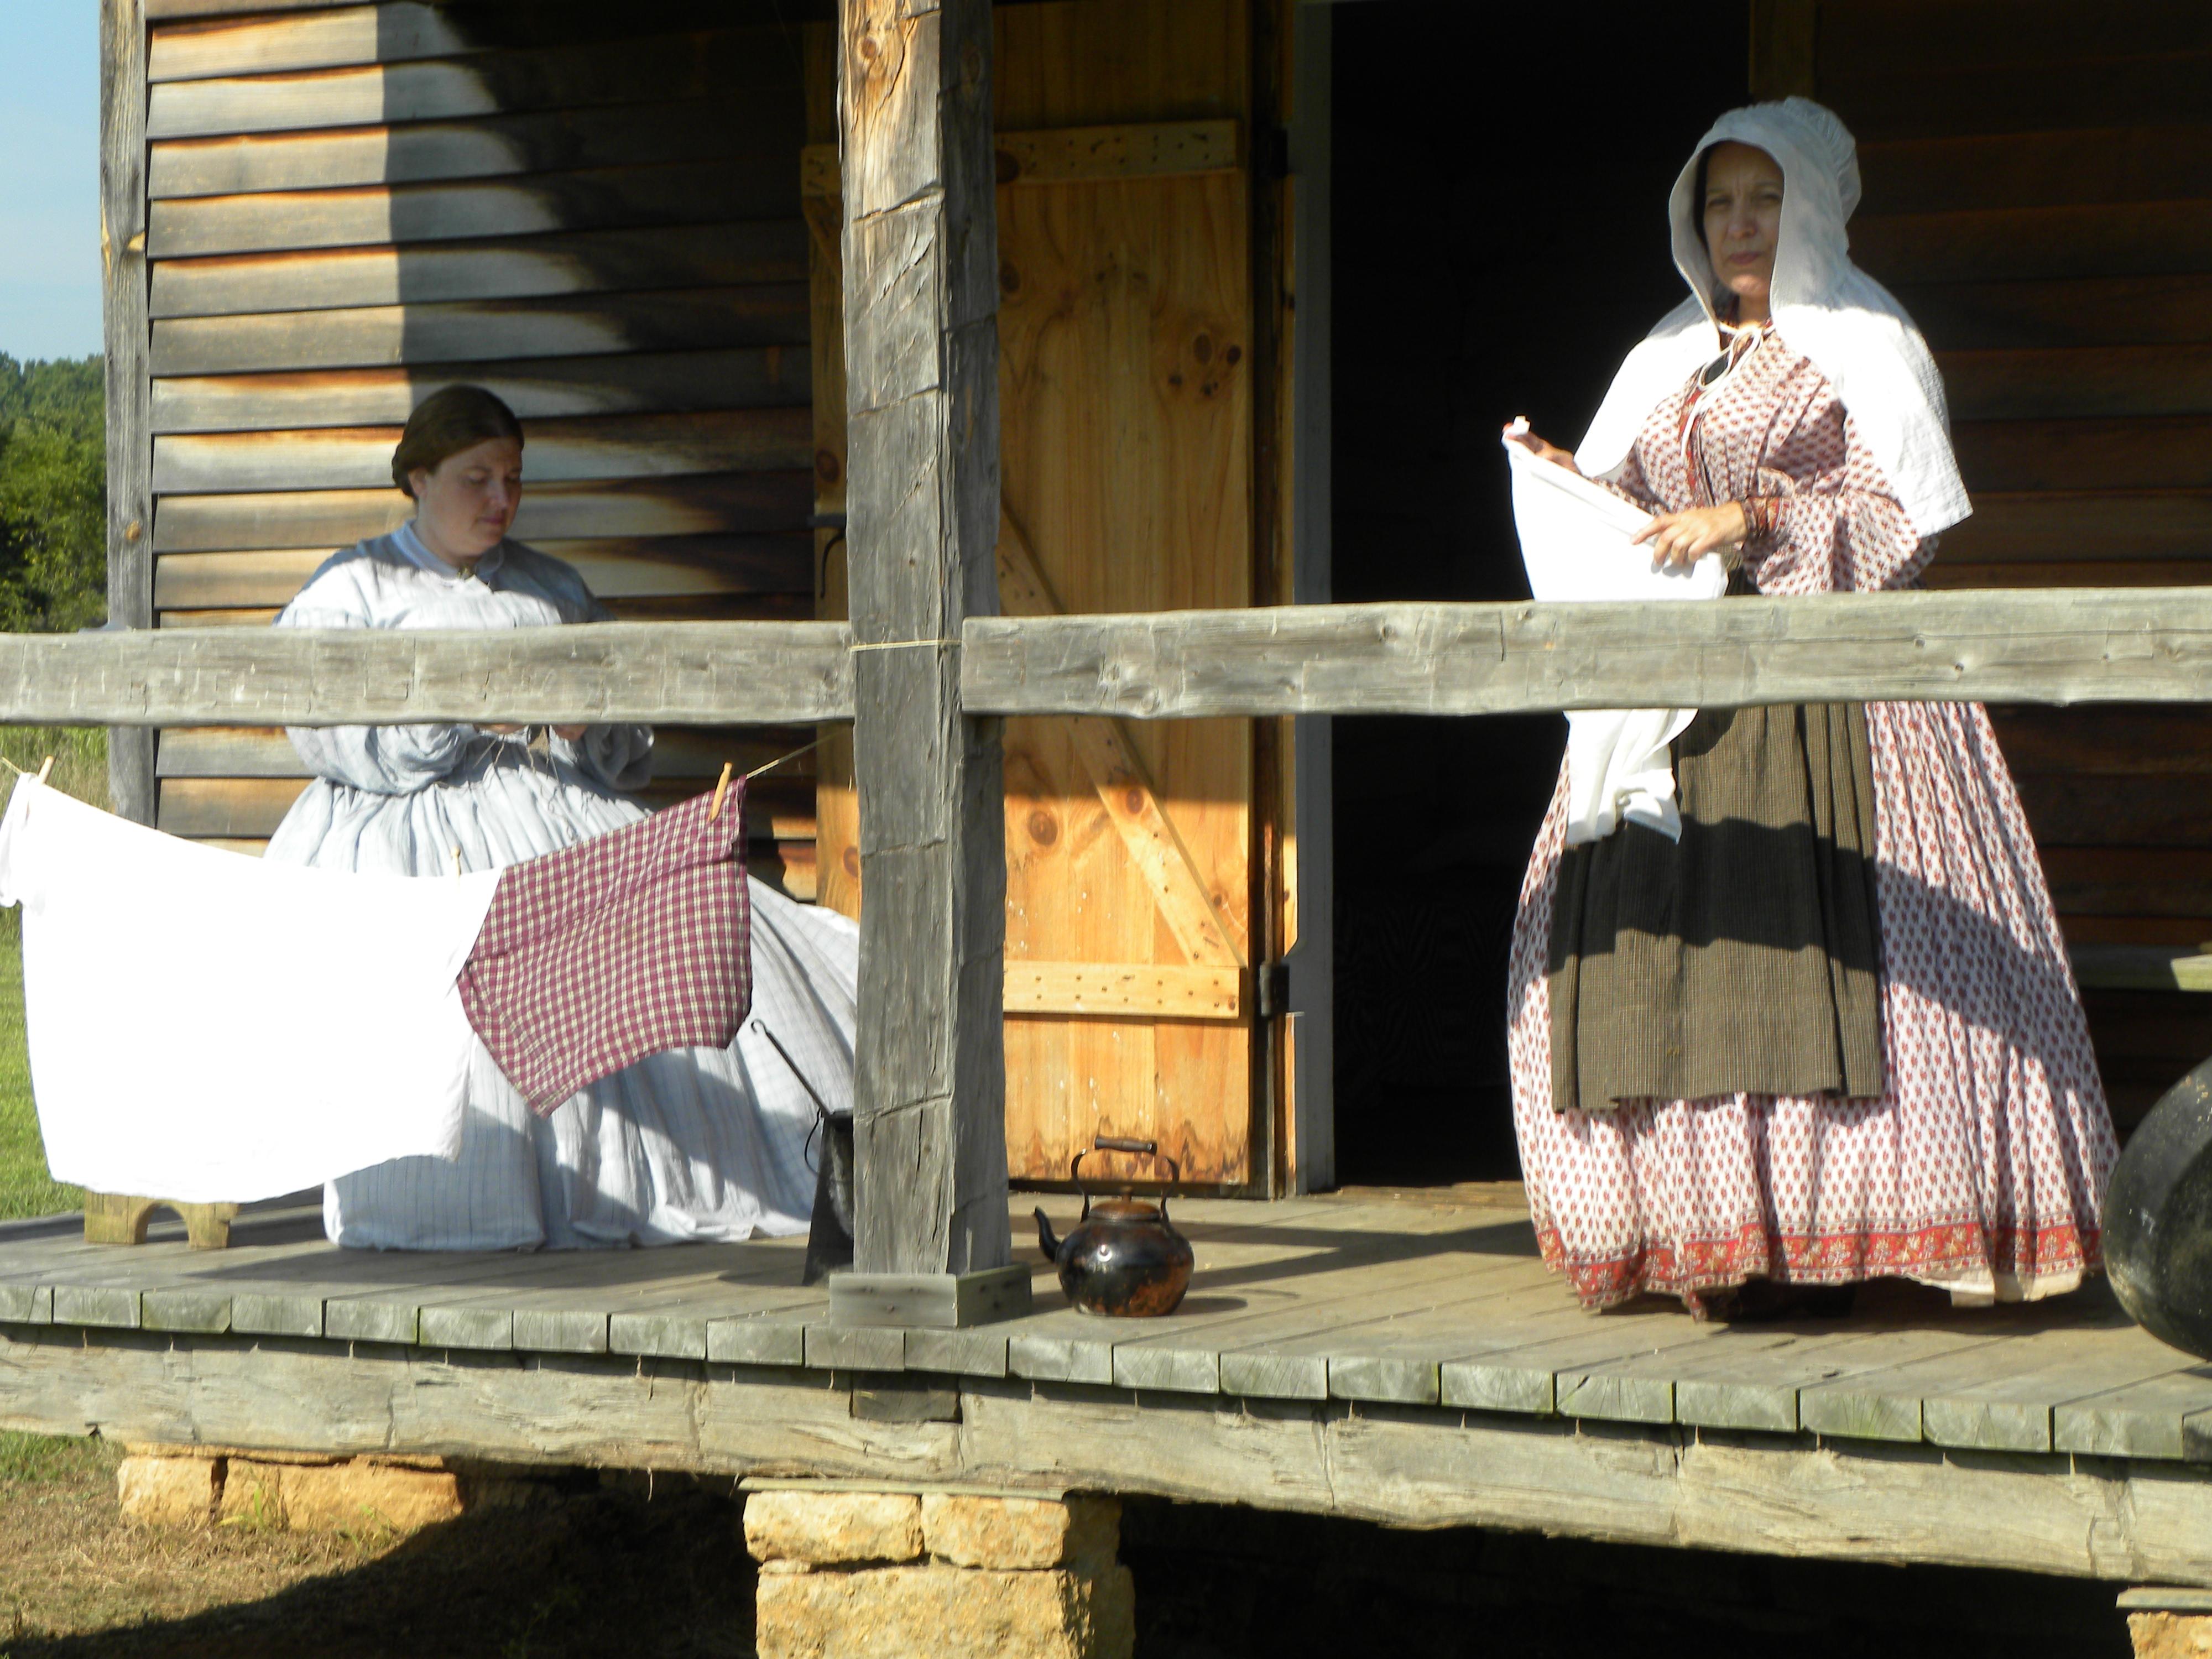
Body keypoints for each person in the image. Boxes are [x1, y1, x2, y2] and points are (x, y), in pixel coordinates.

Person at [1501, 100, 2115, 1316]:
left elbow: (1902, 527)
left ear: (1812, 206)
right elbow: (1633, 528)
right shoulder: (1664, 356)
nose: (1738, 224)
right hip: (1676, 713)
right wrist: (1576, 487)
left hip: (1838, 703)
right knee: (1657, 956)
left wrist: (1758, 517)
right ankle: (1706, 1242)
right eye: (1717, 201)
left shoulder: (1863, 337)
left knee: (1868, 952)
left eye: (1762, 198)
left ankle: (1866, 1230)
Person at [264, 385, 859, 1250]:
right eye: (477, 479)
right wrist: (459, 711)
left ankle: (694, 1166)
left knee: (690, 932)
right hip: (412, 825)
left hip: (552, 800)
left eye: (513, 479)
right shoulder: (353, 585)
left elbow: (619, 722)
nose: (501, 501)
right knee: (456, 988)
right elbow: (320, 725)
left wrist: (588, 720)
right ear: (419, 478)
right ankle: (464, 1200)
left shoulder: (550, 584)